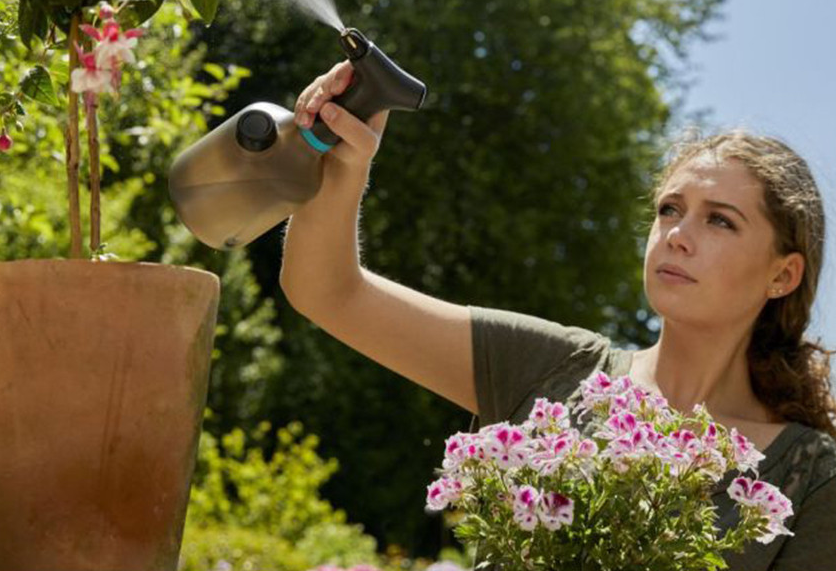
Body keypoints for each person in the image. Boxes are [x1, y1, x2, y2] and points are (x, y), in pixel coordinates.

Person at [279, 61, 836, 571]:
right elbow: (326, 290)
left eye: (720, 221)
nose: (677, 236)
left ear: (782, 275)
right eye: (670, 209)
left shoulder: (811, 477)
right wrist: (345, 165)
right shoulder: (552, 368)